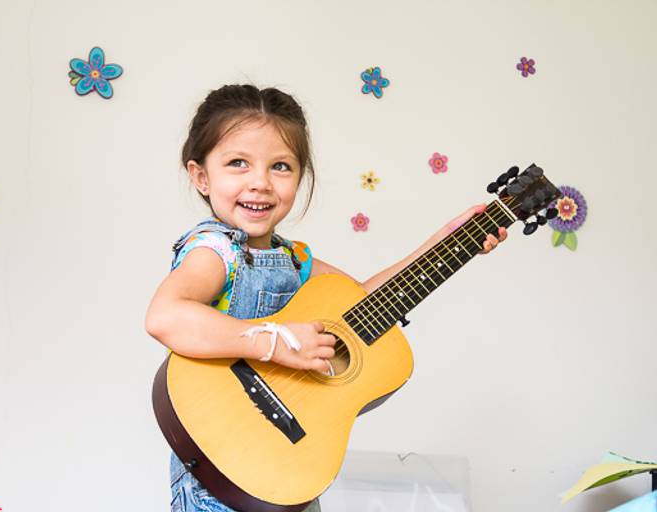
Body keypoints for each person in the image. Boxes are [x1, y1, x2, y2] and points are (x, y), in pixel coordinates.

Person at [144, 84, 507, 512]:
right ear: (201, 176)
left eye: (280, 166)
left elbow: (361, 305)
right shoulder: (215, 252)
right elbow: (166, 316)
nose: (259, 183)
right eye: (237, 163)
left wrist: (444, 244)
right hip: (221, 476)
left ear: (301, 176)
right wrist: (277, 342)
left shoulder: (291, 257)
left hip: (288, 469)